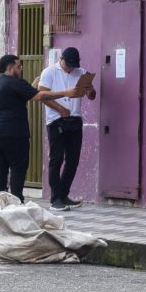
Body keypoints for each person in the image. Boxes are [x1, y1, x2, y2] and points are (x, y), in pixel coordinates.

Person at [0, 55, 78, 202]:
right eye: (18, 66)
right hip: (14, 133)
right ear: (10, 68)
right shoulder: (15, 82)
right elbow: (40, 96)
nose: (21, 69)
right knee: (18, 167)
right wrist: (65, 92)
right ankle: (16, 201)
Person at [38, 46, 97, 210]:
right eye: (68, 65)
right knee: (56, 159)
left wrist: (90, 90)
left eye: (73, 65)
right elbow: (42, 96)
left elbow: (92, 97)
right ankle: (55, 199)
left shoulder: (81, 72)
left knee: (73, 160)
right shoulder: (49, 72)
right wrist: (60, 109)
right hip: (56, 120)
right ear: (61, 60)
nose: (71, 68)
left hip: (75, 119)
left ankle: (63, 194)